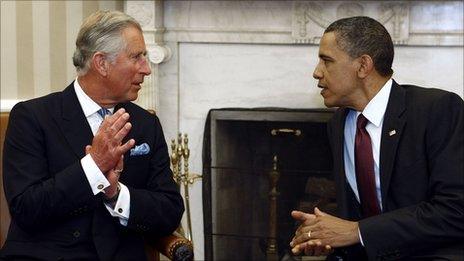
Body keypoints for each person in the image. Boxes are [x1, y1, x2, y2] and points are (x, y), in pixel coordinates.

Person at [1, 10, 184, 260]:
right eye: (136, 57)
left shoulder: (145, 124)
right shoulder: (32, 118)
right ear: (101, 63)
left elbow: (170, 210)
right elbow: (27, 209)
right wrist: (93, 167)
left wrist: (116, 194)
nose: (146, 69)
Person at [290, 16, 464, 260]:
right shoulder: (339, 124)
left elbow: (456, 210)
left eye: (326, 61)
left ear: (363, 66)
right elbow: (353, 216)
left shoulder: (437, 110)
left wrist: (357, 232)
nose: (316, 73)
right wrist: (327, 236)